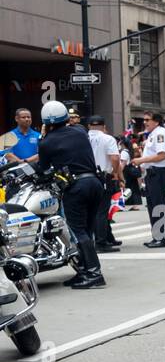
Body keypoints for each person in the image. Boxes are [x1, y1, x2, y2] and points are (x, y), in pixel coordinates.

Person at [35, 101, 104, 288]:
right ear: (66, 117)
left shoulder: (47, 142)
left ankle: (94, 274)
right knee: (87, 231)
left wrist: (43, 137)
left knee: (78, 231)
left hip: (76, 187)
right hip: (95, 183)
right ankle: (83, 270)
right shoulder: (80, 132)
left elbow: (42, 169)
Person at [133, 111, 165, 249]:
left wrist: (141, 160)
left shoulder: (160, 133)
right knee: (152, 205)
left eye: (147, 120)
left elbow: (162, 155)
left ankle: (162, 238)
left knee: (158, 205)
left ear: (156, 121)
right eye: (144, 120)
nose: (144, 122)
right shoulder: (153, 134)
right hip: (152, 173)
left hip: (158, 172)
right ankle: (157, 236)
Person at [85, 115, 123, 252]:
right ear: (103, 126)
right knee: (102, 211)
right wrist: (115, 172)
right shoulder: (108, 139)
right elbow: (114, 157)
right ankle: (100, 242)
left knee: (92, 210)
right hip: (103, 176)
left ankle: (106, 237)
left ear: (89, 126)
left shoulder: (83, 138)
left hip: (85, 176)